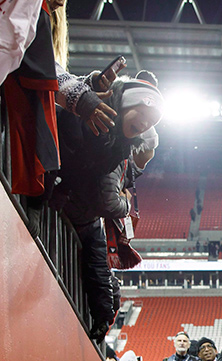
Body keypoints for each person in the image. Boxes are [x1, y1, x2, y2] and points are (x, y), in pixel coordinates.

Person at [55, 73, 163, 339]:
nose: (145, 122)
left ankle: (104, 315)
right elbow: (109, 202)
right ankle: (105, 312)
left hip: (72, 209)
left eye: (150, 121)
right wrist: (126, 205)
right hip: (75, 211)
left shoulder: (117, 148)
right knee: (96, 268)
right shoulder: (113, 147)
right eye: (142, 113)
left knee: (96, 269)